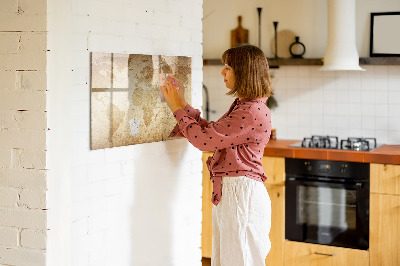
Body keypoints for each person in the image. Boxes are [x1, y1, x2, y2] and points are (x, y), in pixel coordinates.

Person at [161, 44, 273, 266]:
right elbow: (212, 133)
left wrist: (176, 108)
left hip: (241, 195)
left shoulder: (250, 111)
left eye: (228, 67)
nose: (222, 72)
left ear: (244, 72)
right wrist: (182, 103)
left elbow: (204, 141)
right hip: (236, 193)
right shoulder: (246, 106)